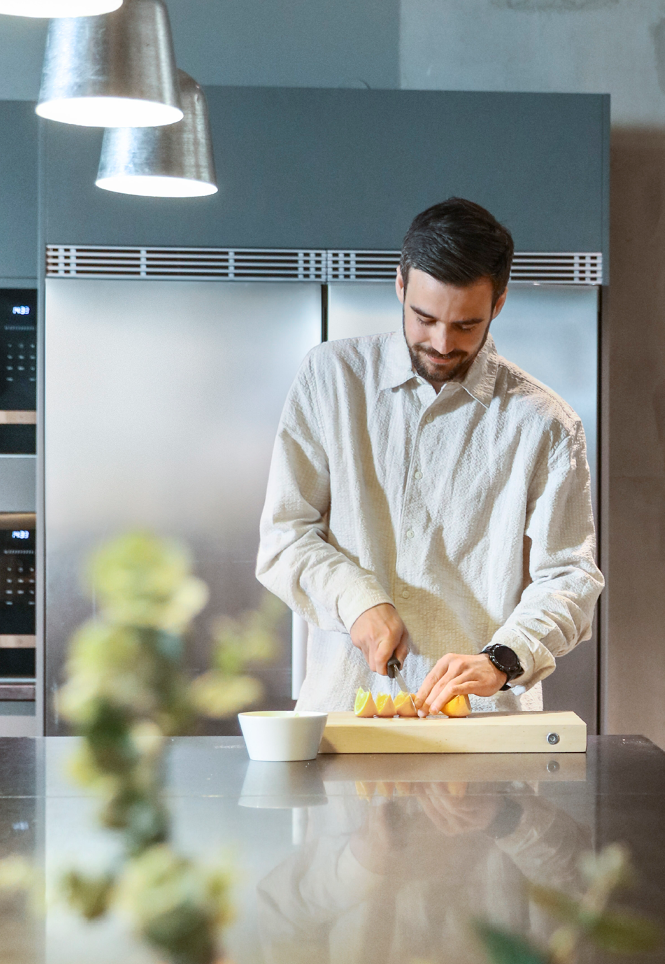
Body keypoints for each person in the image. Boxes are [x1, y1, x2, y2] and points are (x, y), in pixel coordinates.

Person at [256, 197, 602, 715]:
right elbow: (286, 536)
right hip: (345, 714)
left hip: (483, 729)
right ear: (400, 285)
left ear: (499, 304)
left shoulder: (546, 424)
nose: (442, 343)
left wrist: (505, 659)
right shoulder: (331, 378)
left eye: (466, 324)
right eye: (424, 318)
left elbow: (570, 578)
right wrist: (358, 600)